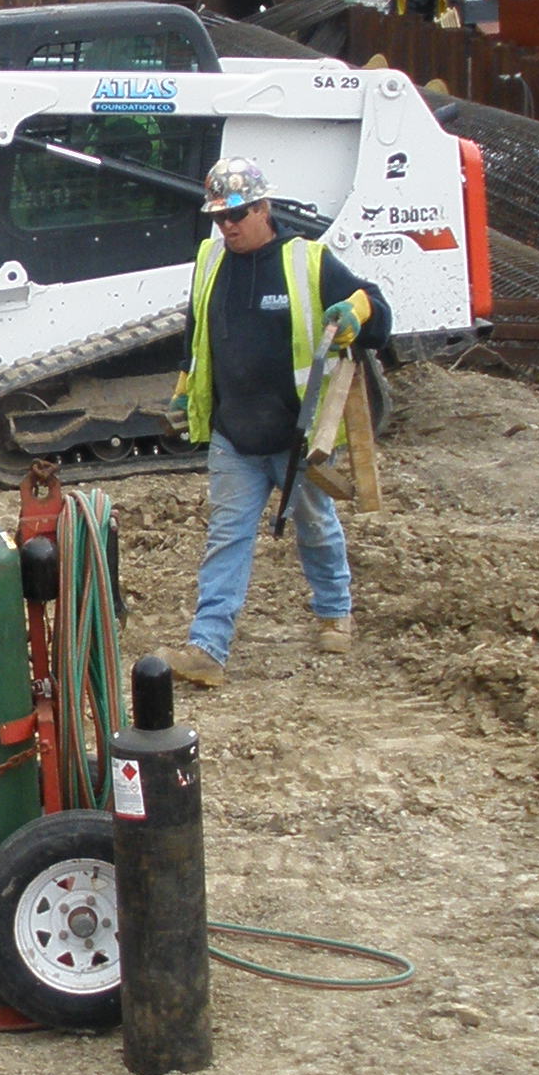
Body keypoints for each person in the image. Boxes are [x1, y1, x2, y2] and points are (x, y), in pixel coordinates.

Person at [162, 156, 391, 686]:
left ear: (264, 207)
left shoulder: (307, 261)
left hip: (297, 434)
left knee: (315, 528)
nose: (229, 227)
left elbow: (375, 306)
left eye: (238, 215)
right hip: (234, 433)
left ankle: (335, 612)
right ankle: (209, 647)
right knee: (227, 536)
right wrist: (182, 392)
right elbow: (196, 336)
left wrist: (356, 315)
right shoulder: (211, 261)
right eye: (220, 218)